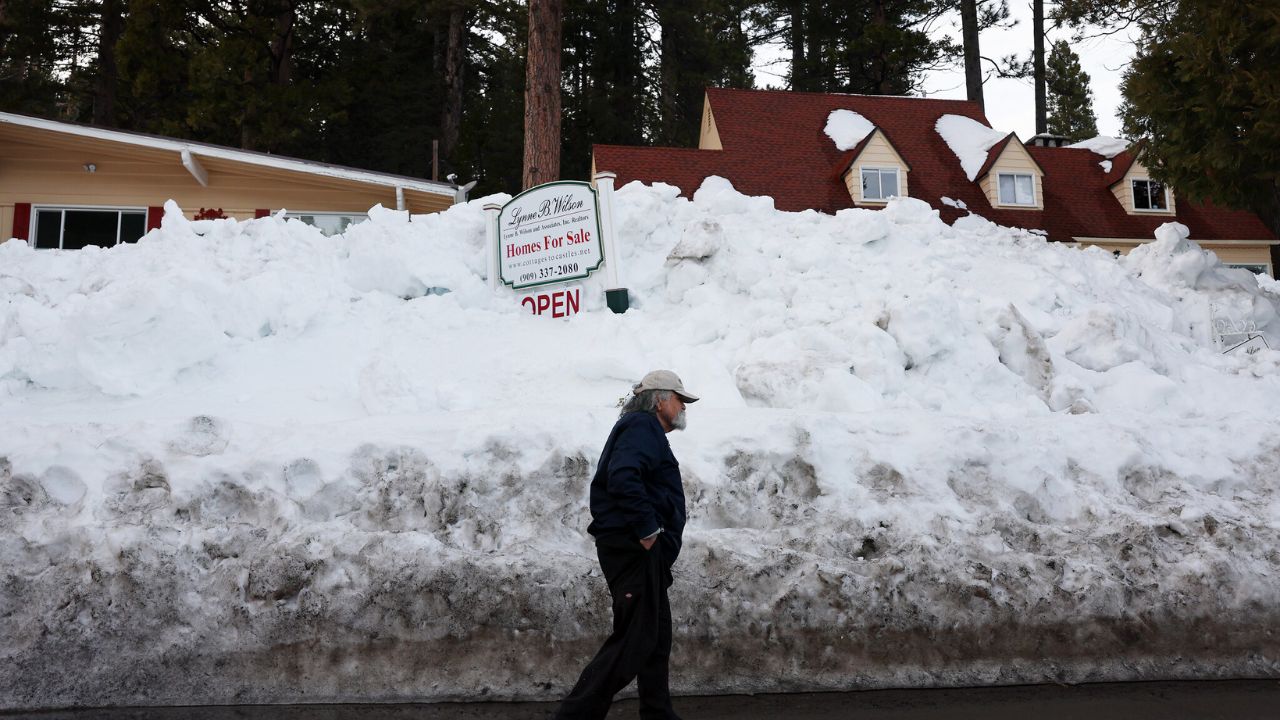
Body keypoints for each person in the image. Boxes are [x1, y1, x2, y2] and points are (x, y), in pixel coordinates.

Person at [553, 370, 698, 720]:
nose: (683, 407)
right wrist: (648, 531)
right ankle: (575, 716)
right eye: (679, 399)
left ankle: (658, 713)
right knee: (635, 640)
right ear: (660, 399)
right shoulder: (641, 427)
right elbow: (623, 476)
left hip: (643, 552)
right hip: (634, 550)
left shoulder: (644, 431)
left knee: (656, 638)